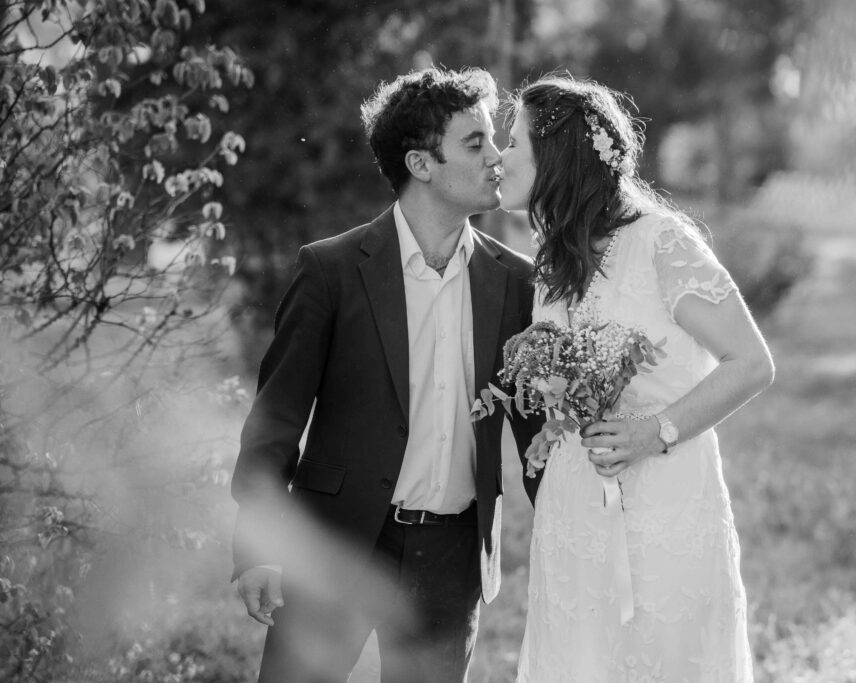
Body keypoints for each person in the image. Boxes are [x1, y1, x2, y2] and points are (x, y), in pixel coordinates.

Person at [229, 67, 540, 683]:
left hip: (453, 558)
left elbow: (534, 432)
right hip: (333, 544)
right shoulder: (331, 270)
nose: (497, 157)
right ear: (421, 164)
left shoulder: (518, 282)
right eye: (475, 144)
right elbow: (276, 417)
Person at [499, 75, 775, 681]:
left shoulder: (661, 244)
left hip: (663, 511)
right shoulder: (554, 260)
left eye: (512, 141)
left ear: (556, 156)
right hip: (574, 511)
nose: (500, 157)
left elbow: (752, 363)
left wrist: (657, 431)